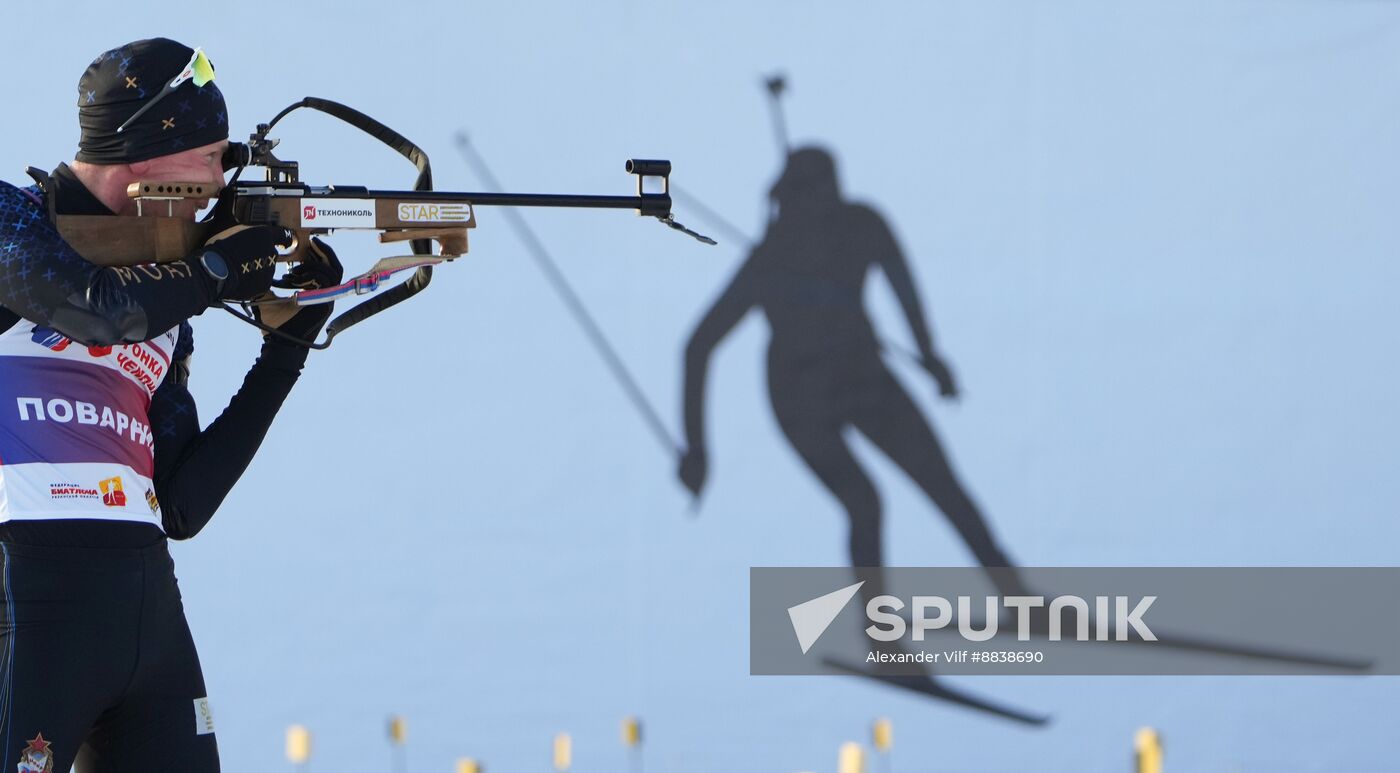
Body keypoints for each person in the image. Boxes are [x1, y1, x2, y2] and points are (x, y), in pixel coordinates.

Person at [0, 38, 342, 772]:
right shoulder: (11, 218)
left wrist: (285, 351)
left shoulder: (169, 297)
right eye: (214, 155)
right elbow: (100, 310)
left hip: (146, 605)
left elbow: (182, 502)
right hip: (27, 591)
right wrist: (216, 268)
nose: (224, 177)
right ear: (150, 149)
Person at [679, 146, 1031, 600]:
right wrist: (698, 449)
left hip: (864, 377)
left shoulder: (863, 225)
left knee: (942, 482)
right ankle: (880, 629)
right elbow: (698, 346)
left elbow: (904, 289)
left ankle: (1015, 596)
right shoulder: (773, 256)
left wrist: (930, 356)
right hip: (800, 399)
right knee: (865, 503)